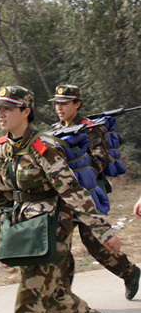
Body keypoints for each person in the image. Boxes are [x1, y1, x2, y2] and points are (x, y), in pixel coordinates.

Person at [0, 85, 122, 313]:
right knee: (52, 298)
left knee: (29, 294)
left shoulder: (44, 147)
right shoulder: (4, 148)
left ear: (26, 111)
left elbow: (73, 192)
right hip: (22, 230)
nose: (1, 114)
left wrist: (103, 231)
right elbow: (0, 195)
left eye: (8, 108)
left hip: (52, 229)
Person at [49, 84, 139, 300]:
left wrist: (76, 167)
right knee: (58, 244)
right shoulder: (54, 130)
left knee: (95, 243)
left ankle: (129, 272)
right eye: (57, 103)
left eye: (64, 103)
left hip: (89, 194)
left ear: (77, 104)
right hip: (64, 196)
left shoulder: (91, 128)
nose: (59, 107)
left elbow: (100, 160)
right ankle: (63, 294)